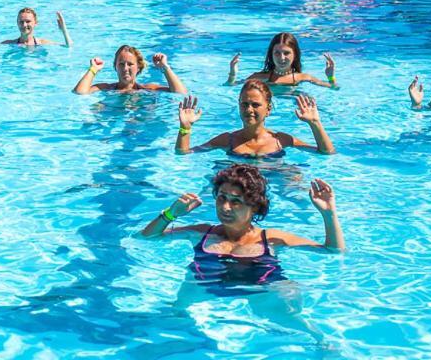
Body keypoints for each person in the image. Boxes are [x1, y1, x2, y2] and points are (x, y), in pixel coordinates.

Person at [139, 164, 344, 286]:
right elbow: (145, 237)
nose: (226, 207)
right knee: (177, 312)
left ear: (254, 206)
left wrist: (328, 213)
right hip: (206, 287)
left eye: (236, 201)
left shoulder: (271, 239)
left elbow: (333, 252)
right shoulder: (201, 233)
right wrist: (170, 214)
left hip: (262, 289)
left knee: (293, 310)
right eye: (221, 198)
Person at [175, 82, 336, 157]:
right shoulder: (227, 140)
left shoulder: (281, 140)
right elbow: (184, 153)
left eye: (255, 104)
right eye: (244, 104)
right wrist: (185, 128)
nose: (249, 109)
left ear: (268, 109)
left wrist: (315, 124)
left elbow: (326, 152)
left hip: (275, 177)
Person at [227, 32, 337, 89]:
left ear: (295, 55)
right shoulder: (260, 77)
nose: (282, 58)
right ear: (271, 54)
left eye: (286, 53)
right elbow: (230, 85)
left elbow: (334, 88)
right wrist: (232, 74)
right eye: (277, 53)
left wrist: (330, 77)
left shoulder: (303, 78)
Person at [73, 46, 187, 95]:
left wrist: (165, 67)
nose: (125, 68)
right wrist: (93, 69)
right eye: (121, 64)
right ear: (115, 67)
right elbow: (80, 92)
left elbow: (180, 92)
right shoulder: (106, 88)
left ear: (139, 67)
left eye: (130, 64)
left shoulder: (147, 89)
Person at [0, 7, 72, 47]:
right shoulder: (9, 43)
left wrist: (64, 31)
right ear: (17, 23)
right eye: (21, 22)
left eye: (28, 21)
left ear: (36, 23)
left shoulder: (42, 43)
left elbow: (69, 46)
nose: (24, 25)